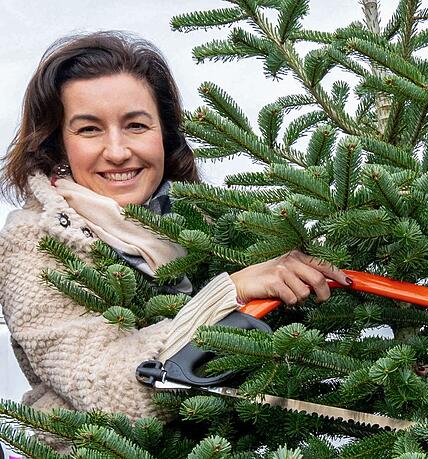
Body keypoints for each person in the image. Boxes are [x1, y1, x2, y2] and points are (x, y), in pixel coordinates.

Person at [0, 31, 350, 421]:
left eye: (136, 125)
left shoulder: (208, 223)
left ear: (165, 134)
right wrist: (229, 292)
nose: (117, 152)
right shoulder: (34, 242)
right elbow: (102, 389)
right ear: (57, 145)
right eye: (89, 129)